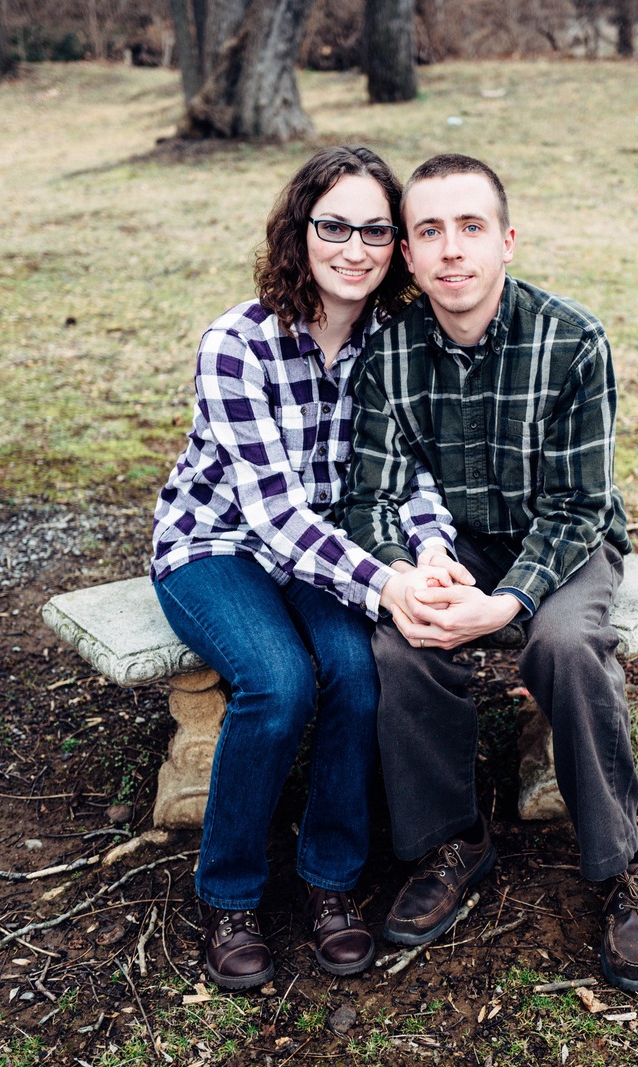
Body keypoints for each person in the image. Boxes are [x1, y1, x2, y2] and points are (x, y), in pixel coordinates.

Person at [342, 154, 638, 994]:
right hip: (452, 544)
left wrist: (505, 605)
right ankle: (454, 839)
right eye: (429, 232)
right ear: (408, 258)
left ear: (507, 241)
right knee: (402, 642)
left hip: (561, 541)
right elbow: (371, 497)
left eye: (471, 228)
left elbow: (577, 508)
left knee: (565, 643)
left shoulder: (573, 340)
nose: (451, 251)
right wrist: (415, 572)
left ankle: (619, 864)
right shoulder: (389, 353)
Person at [150, 146, 454, 991]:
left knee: (356, 673)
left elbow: (409, 472)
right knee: (279, 682)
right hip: (215, 546)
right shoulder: (236, 344)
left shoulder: (391, 343)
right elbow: (273, 517)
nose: (354, 248)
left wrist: (429, 550)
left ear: (395, 245)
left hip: (327, 552)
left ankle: (329, 882)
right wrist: (387, 584)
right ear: (300, 231)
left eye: (375, 231)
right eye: (334, 227)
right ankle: (231, 895)